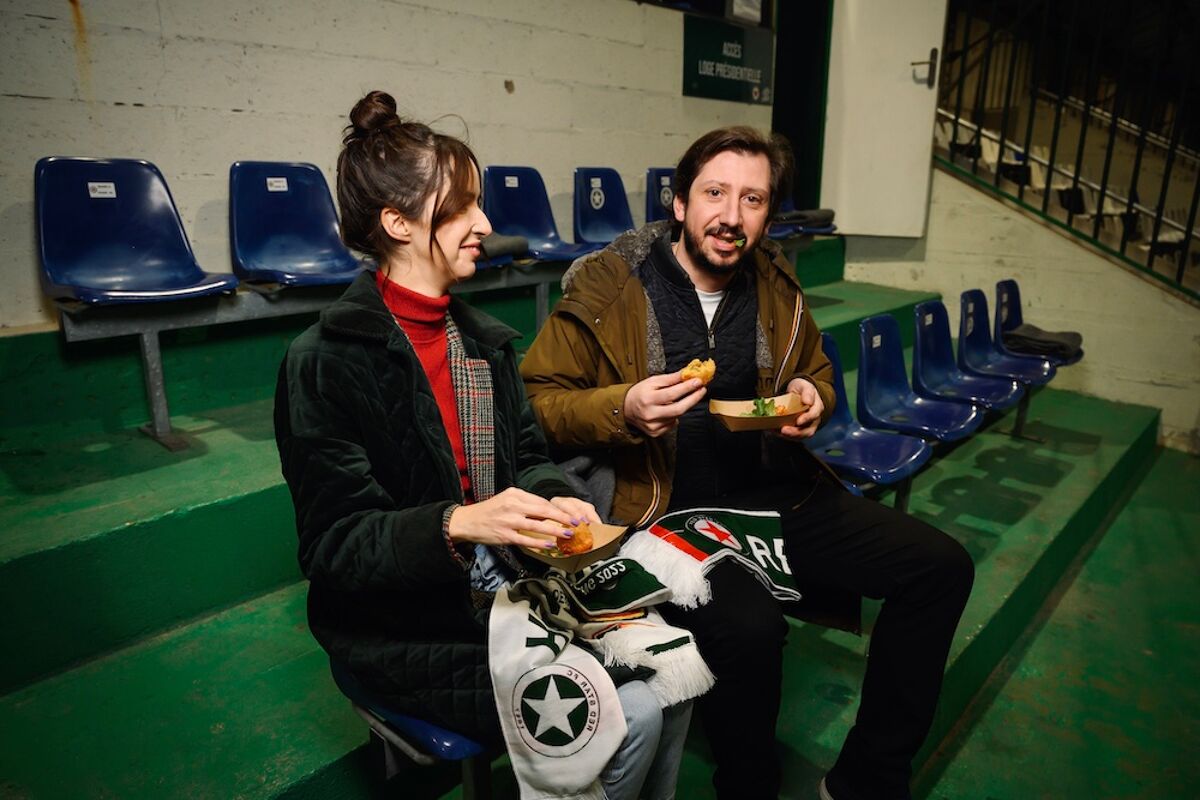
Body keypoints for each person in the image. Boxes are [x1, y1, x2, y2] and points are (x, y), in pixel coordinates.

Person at [520, 126, 975, 800]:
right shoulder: (609, 287)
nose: (731, 216)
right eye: (715, 193)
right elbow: (538, 402)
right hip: (668, 515)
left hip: (776, 498)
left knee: (940, 568)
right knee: (750, 629)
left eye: (753, 200)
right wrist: (623, 408)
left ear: (768, 213)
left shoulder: (776, 285)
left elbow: (814, 370)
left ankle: (866, 781)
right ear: (679, 203)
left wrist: (810, 398)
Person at [274, 90, 691, 800]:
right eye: (462, 208)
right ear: (397, 222)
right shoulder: (324, 362)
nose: (485, 225)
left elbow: (529, 460)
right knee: (634, 713)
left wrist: (565, 509)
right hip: (406, 628)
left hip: (509, 586)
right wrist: (458, 522)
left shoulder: (484, 343)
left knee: (673, 670)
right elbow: (335, 547)